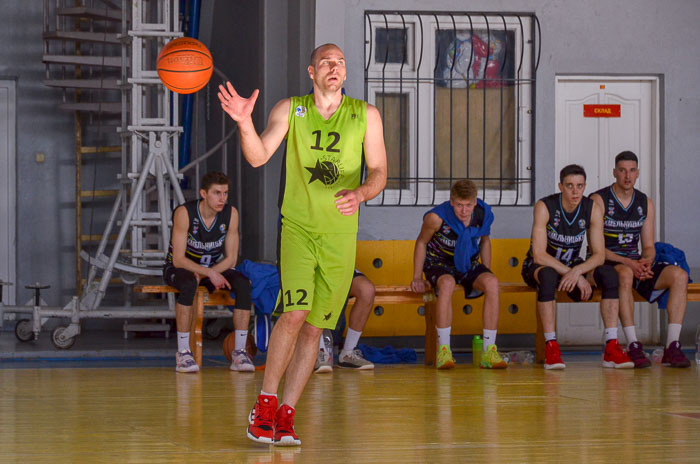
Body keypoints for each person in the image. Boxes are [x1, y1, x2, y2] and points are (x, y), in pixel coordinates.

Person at [218, 43, 387, 446]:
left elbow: (380, 170)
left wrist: (361, 193)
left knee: (316, 329)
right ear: (312, 71)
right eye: (327, 61)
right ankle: (265, 403)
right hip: (298, 229)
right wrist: (244, 123)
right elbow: (258, 157)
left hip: (340, 237)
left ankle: (287, 415)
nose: (336, 66)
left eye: (341, 62)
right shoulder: (290, 110)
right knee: (294, 313)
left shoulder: (366, 115)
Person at [521, 164, 633, 370]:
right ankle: (551, 347)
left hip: (571, 267)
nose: (575, 191)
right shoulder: (545, 207)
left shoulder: (592, 208)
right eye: (570, 186)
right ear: (560, 186)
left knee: (609, 275)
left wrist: (577, 271)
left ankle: (611, 346)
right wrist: (574, 274)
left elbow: (599, 255)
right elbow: (539, 254)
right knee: (547, 276)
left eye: (579, 186)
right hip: (539, 265)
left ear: (584, 187)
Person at [590, 151, 691, 368]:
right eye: (623, 171)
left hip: (636, 263)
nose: (628, 176)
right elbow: (596, 249)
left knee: (680, 275)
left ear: (637, 173)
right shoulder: (598, 200)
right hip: (608, 264)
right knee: (625, 274)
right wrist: (630, 264)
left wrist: (645, 262)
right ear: (614, 173)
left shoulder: (645, 202)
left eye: (632, 170)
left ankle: (672, 346)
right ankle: (634, 344)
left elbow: (647, 245)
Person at [411, 179, 506, 370]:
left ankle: (489, 351)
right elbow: (421, 242)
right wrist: (416, 277)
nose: (464, 211)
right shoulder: (436, 218)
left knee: (492, 283)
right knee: (447, 284)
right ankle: (444, 350)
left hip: (468, 263)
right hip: (439, 263)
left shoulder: (483, 213)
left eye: (468, 205)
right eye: (460, 205)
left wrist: (486, 269)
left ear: (475, 202)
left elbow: (485, 241)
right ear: (451, 202)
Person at [163, 172, 253, 373]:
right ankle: (183, 353)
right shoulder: (185, 213)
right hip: (181, 268)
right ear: (204, 193)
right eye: (216, 193)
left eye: (225, 193)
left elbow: (231, 259)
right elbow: (178, 259)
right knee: (188, 284)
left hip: (212, 268)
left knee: (243, 285)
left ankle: (239, 352)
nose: (222, 198)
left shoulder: (231, 214)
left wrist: (209, 273)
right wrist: (207, 273)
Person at [314, 269, 376, 373]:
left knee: (367, 290)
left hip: (340, 265)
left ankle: (348, 353)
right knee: (320, 286)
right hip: (315, 267)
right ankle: (320, 352)